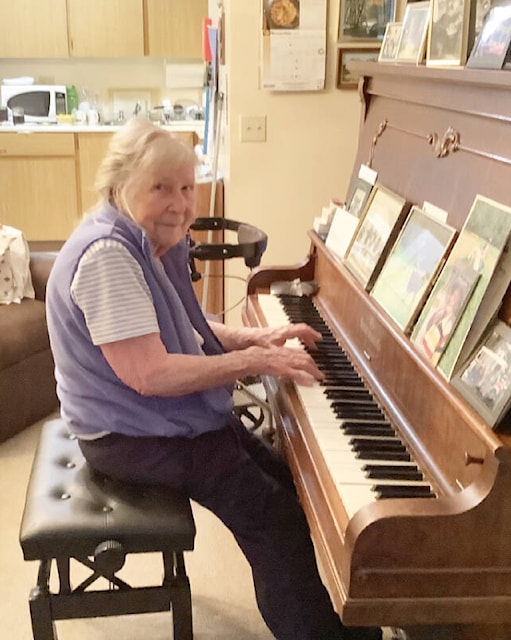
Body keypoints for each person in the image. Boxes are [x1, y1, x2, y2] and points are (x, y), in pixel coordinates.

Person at [45, 117, 407, 640]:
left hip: (159, 420)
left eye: (188, 188)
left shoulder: (148, 240)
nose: (181, 203)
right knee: (274, 522)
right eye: (162, 188)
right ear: (120, 186)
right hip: (128, 435)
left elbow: (185, 334)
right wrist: (256, 363)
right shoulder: (108, 258)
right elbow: (151, 373)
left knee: (291, 481)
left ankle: (349, 625)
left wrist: (256, 340)